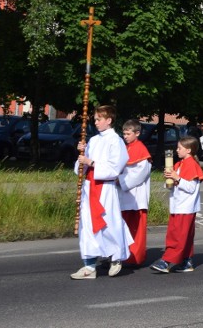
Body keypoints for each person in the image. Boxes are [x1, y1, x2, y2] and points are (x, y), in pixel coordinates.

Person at [71, 105, 133, 280]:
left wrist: (91, 162)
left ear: (109, 120)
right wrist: (81, 154)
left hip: (105, 188)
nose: (95, 122)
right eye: (95, 119)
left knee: (108, 223)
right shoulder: (93, 140)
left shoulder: (116, 141)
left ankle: (116, 258)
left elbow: (116, 168)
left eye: (99, 119)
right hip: (90, 187)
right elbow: (80, 169)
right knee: (88, 227)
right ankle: (89, 266)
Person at [150, 136, 203, 273]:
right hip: (178, 205)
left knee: (177, 236)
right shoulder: (180, 164)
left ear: (188, 150)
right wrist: (169, 179)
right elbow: (173, 185)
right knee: (183, 235)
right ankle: (186, 261)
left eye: (179, 148)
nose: (177, 150)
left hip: (185, 207)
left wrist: (177, 178)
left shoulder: (191, 164)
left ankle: (166, 261)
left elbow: (191, 188)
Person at [117, 119, 152, 267]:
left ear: (137, 133)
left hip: (136, 197)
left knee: (136, 229)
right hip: (124, 195)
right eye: (124, 133)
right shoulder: (126, 148)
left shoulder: (141, 149)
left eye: (128, 133)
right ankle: (121, 256)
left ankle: (135, 257)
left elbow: (140, 173)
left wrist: (121, 181)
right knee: (122, 227)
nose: (125, 136)